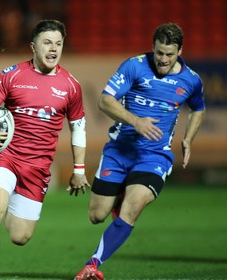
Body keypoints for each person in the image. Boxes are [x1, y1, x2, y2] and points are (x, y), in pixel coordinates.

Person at [74, 22, 206, 280]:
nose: (163, 59)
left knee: (132, 209)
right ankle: (119, 196)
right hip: (119, 151)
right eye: (159, 53)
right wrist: (136, 121)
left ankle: (92, 265)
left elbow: (198, 108)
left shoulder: (191, 80)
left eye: (169, 54)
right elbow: (104, 101)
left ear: (180, 50)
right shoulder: (133, 66)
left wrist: (189, 138)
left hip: (154, 157)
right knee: (96, 216)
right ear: (153, 48)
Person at [0, 19, 90, 280]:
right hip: (5, 156)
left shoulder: (71, 86)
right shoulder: (11, 75)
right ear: (33, 47)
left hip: (37, 167)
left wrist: (78, 169)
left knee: (19, 236)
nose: (53, 49)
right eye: (47, 42)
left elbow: (78, 128)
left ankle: (5, 204)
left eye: (58, 44)